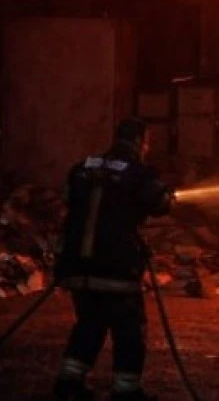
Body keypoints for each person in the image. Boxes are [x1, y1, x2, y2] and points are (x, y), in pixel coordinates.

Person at [53, 117, 174, 401]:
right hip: (117, 267)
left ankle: (68, 383)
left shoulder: (82, 168)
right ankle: (126, 391)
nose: (147, 147)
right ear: (139, 141)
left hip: (78, 265)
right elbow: (160, 204)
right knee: (129, 330)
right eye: (146, 142)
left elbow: (70, 205)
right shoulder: (139, 174)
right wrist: (170, 197)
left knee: (89, 324)